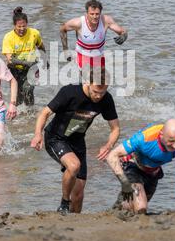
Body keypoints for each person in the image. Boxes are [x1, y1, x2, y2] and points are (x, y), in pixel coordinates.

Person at [31, 67, 120, 214]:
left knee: (78, 194)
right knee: (74, 166)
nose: (98, 96)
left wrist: (108, 145)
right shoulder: (69, 92)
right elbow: (45, 113)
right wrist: (37, 134)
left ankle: (74, 221)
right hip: (55, 138)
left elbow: (115, 128)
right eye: (95, 92)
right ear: (87, 82)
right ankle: (64, 203)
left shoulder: (106, 99)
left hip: (77, 141)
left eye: (102, 92)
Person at [105, 119, 175, 214]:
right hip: (132, 166)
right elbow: (112, 156)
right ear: (161, 134)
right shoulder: (144, 138)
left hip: (153, 171)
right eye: (171, 141)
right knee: (141, 207)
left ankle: (117, 208)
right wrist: (124, 183)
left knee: (132, 208)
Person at [60, 0, 128, 69]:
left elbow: (122, 31)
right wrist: (66, 51)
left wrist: (124, 36)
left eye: (97, 14)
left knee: (103, 79)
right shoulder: (78, 23)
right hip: (83, 56)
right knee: (90, 79)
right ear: (87, 13)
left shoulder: (106, 21)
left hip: (99, 56)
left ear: (100, 13)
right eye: (92, 14)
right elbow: (62, 29)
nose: (95, 17)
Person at [2, 7, 48, 106]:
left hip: (31, 68)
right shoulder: (8, 37)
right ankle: (19, 116)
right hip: (15, 69)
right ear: (14, 25)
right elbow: (10, 59)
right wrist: (26, 62)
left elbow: (41, 47)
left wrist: (45, 61)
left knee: (29, 89)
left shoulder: (34, 33)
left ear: (27, 24)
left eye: (24, 26)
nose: (22, 29)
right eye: (19, 27)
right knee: (19, 95)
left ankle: (30, 113)